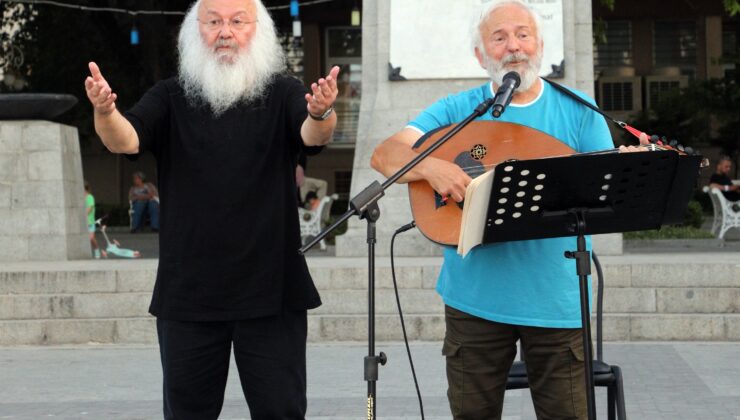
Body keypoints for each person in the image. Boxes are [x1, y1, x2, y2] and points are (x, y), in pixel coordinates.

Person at [371, 1, 645, 418]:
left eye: (523, 34)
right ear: (481, 55)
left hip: (556, 301)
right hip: (474, 300)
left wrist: (633, 168)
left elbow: (605, 193)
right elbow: (385, 155)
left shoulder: (579, 111)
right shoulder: (457, 112)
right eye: (499, 38)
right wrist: (432, 166)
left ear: (539, 45)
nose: (513, 46)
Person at [83, 0, 339, 418]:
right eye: (214, 21)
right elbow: (125, 140)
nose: (226, 31)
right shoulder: (169, 95)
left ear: (258, 30)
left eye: (238, 21)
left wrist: (322, 110)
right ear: (193, 31)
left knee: (282, 411)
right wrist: (105, 111)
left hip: (273, 290)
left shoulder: (283, 93)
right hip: (189, 295)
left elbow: (312, 134)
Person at [84, 181, 105, 259]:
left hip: (90, 222)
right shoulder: (80, 198)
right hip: (83, 223)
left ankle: (96, 250)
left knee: (91, 238)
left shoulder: (90, 197)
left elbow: (90, 207)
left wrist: (83, 215)